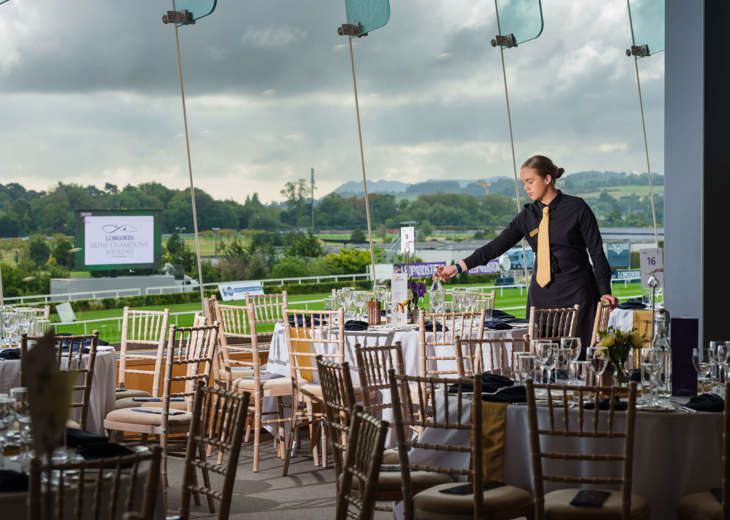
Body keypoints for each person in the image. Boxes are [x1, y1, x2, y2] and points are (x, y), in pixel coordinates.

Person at [436, 154, 618, 349]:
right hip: (541, 298)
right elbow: (495, 246)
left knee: (578, 357)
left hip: (577, 294)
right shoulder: (527, 216)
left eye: (530, 182)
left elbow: (597, 252)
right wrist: (458, 267)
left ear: (548, 179)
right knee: (542, 358)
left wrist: (605, 291)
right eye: (524, 183)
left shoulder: (577, 208)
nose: (526, 188)